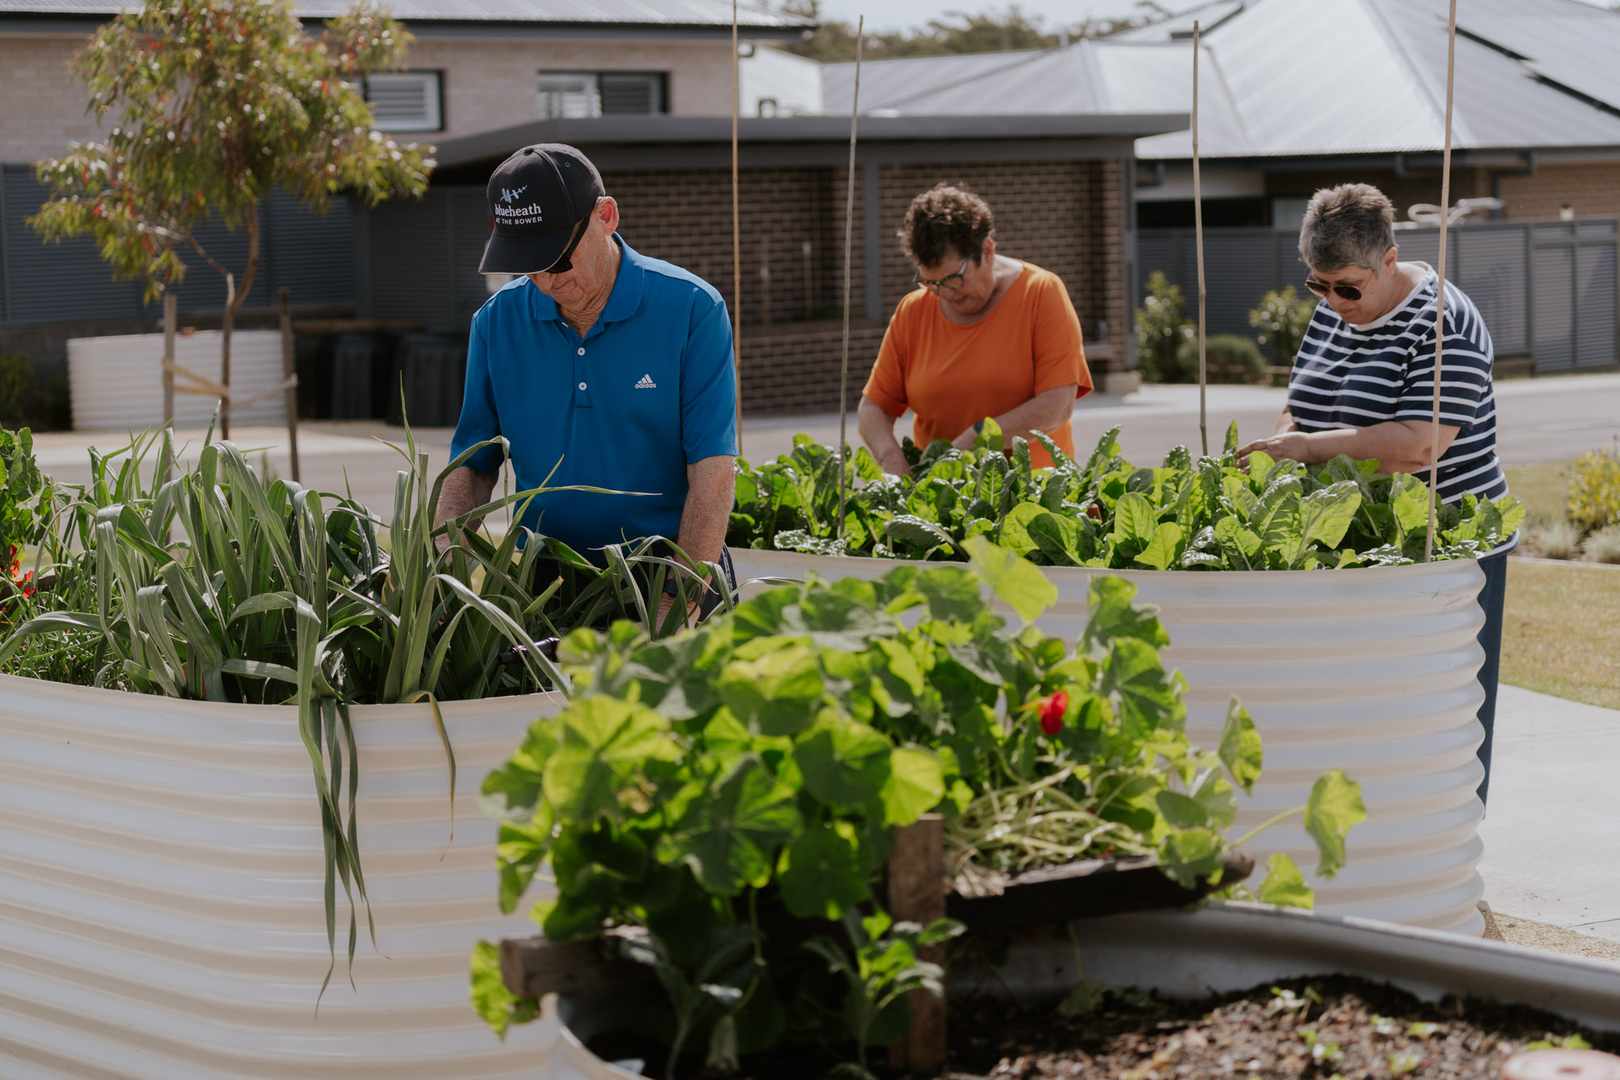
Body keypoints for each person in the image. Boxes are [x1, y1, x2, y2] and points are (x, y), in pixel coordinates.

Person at [1237, 182, 1512, 807]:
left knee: (1435, 713)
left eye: (1346, 287)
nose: (1332, 302)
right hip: (1354, 541)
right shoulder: (1337, 309)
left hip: (1444, 542)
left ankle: (1438, 828)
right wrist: (1283, 443)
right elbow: (1300, 403)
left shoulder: (1446, 323)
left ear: (1389, 260)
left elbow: (1419, 444)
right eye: (1317, 285)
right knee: (1359, 712)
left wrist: (1308, 451)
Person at [435, 143, 737, 626]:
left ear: (606, 216)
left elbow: (713, 473)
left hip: (672, 574)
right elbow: (471, 468)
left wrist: (674, 605)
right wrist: (437, 576)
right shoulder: (496, 323)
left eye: (556, 261)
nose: (546, 283)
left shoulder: (691, 310)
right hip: (547, 585)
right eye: (527, 265)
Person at [858, 183, 1092, 474]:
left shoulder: (1040, 293)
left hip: (1034, 495)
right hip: (945, 495)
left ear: (988, 249)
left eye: (954, 279)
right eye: (931, 282)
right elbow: (872, 408)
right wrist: (891, 459)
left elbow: (1056, 406)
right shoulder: (913, 311)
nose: (945, 293)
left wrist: (977, 439)